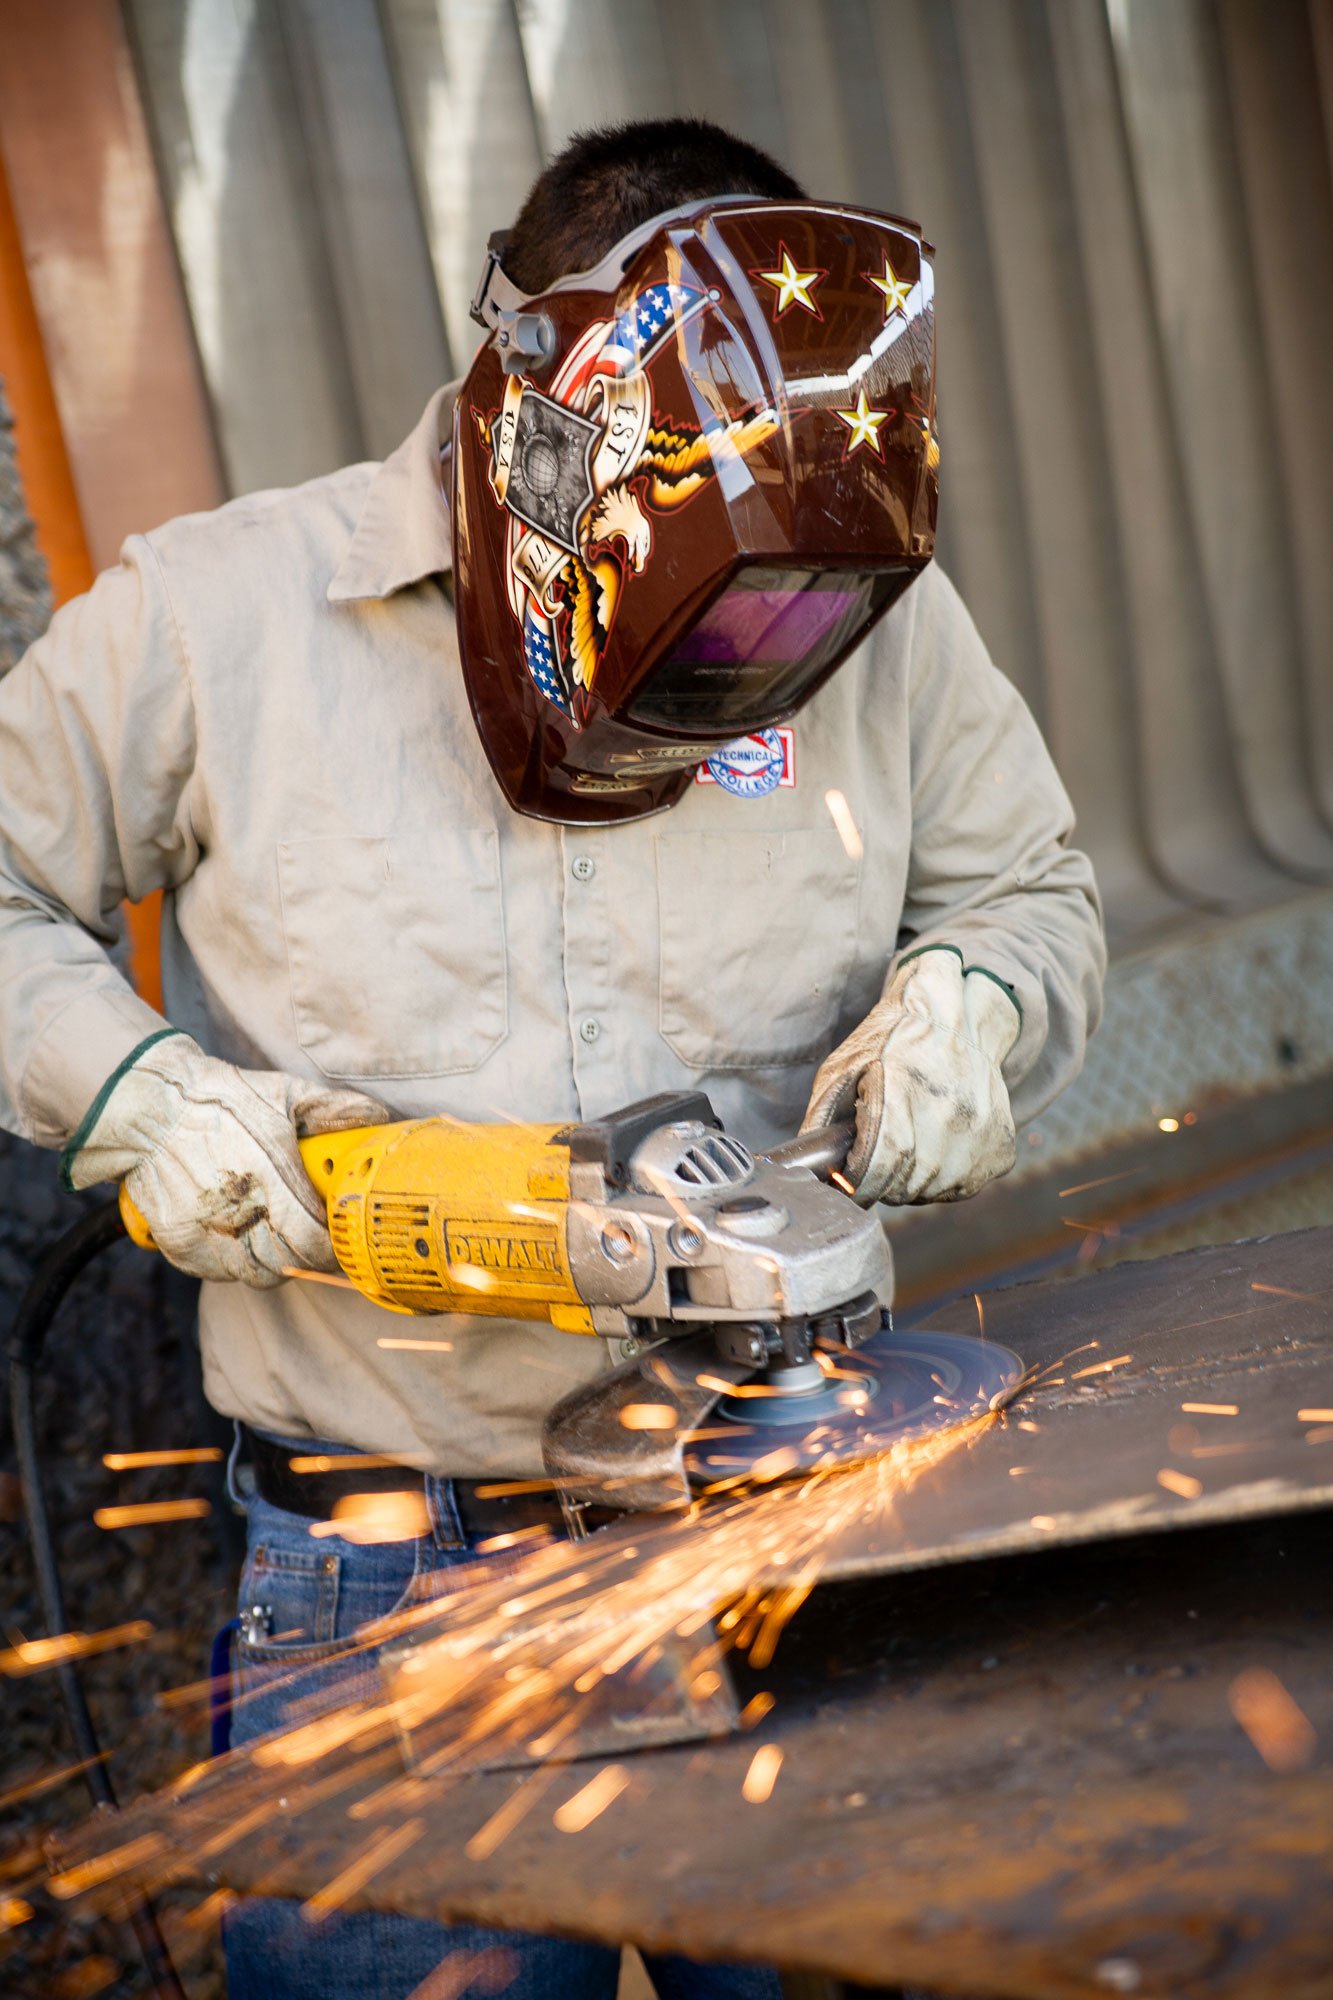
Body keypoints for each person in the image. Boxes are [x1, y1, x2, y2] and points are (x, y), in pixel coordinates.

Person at [0, 118, 1104, 1998]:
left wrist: (975, 1004)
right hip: (390, 1577)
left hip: (800, 1530)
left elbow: (1034, 893)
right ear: (535, 422)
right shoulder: (222, 619)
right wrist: (134, 1097)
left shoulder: (868, 610)